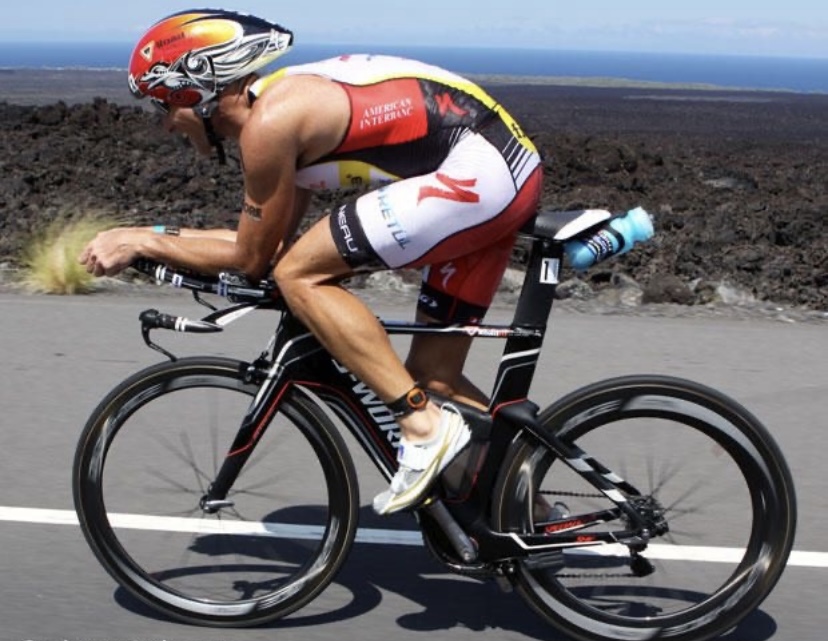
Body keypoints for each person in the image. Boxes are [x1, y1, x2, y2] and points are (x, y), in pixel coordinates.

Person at [79, 9, 543, 515]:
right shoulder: (279, 112)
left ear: (199, 91)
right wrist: (146, 240)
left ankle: (422, 426)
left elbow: (255, 261)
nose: (167, 125)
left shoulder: (270, 124)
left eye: (165, 107)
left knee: (301, 276)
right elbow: (262, 247)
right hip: (502, 172)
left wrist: (141, 239)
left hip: (480, 173)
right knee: (435, 378)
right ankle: (528, 514)